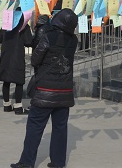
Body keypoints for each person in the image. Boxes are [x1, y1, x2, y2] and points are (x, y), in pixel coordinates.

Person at [10, 9, 79, 168]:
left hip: (45, 91)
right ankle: (58, 162)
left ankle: (27, 162)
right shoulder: (73, 40)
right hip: (65, 92)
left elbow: (35, 60)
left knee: (35, 127)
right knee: (60, 128)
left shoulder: (48, 37)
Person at [0, 10, 33, 115]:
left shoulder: (6, 24)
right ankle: (18, 106)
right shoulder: (24, 26)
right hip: (17, 56)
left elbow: (0, 38)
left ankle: (6, 105)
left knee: (6, 81)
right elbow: (28, 42)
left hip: (6, 56)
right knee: (19, 82)